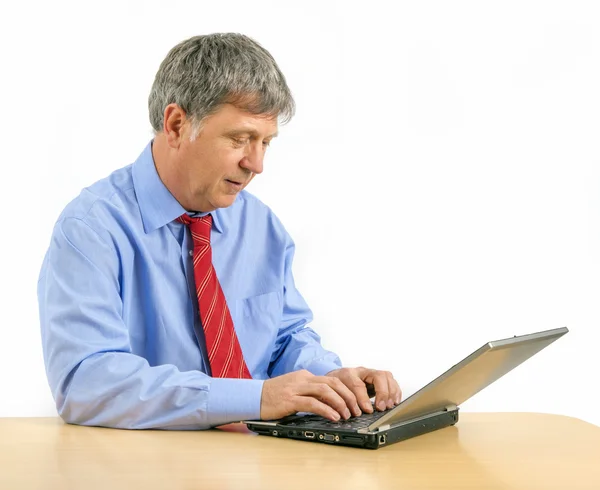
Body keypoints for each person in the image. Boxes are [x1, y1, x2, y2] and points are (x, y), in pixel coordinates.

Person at [37, 33, 402, 430]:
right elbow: (85, 382)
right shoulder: (91, 230)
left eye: (266, 142)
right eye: (240, 139)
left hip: (261, 459)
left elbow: (285, 338)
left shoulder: (260, 225)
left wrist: (330, 382)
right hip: (147, 466)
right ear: (176, 125)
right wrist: (253, 398)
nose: (256, 164)